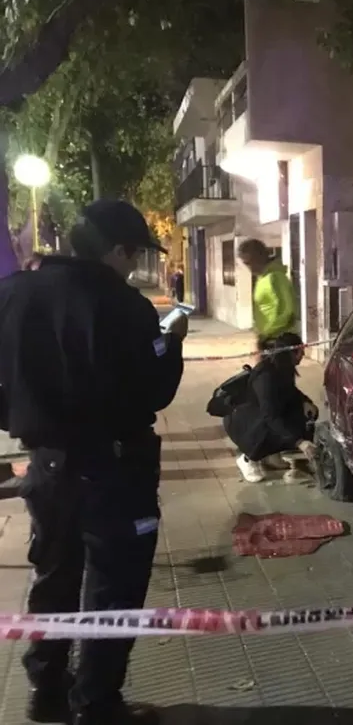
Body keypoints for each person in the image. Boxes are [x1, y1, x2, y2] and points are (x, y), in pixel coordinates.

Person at [0, 200, 186, 724]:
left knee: (55, 575)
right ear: (116, 250)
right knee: (113, 587)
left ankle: (46, 685)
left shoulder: (11, 295)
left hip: (47, 465)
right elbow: (154, 389)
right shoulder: (125, 306)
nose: (133, 266)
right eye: (133, 254)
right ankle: (96, 702)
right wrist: (169, 346)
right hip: (114, 470)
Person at [222, 332, 318, 483]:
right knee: (272, 425)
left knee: (301, 417)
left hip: (263, 414)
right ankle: (248, 458)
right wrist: (300, 442)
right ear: (290, 353)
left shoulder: (283, 369)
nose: (303, 355)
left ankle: (270, 455)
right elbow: (270, 416)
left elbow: (290, 390)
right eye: (300, 352)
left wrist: (305, 401)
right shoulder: (266, 376)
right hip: (246, 422)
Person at [236, 238, 298, 350]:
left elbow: (287, 311)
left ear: (260, 257)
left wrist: (267, 333)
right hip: (268, 339)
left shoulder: (275, 277)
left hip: (278, 340)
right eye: (246, 263)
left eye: (250, 262)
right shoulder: (262, 278)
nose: (249, 267)